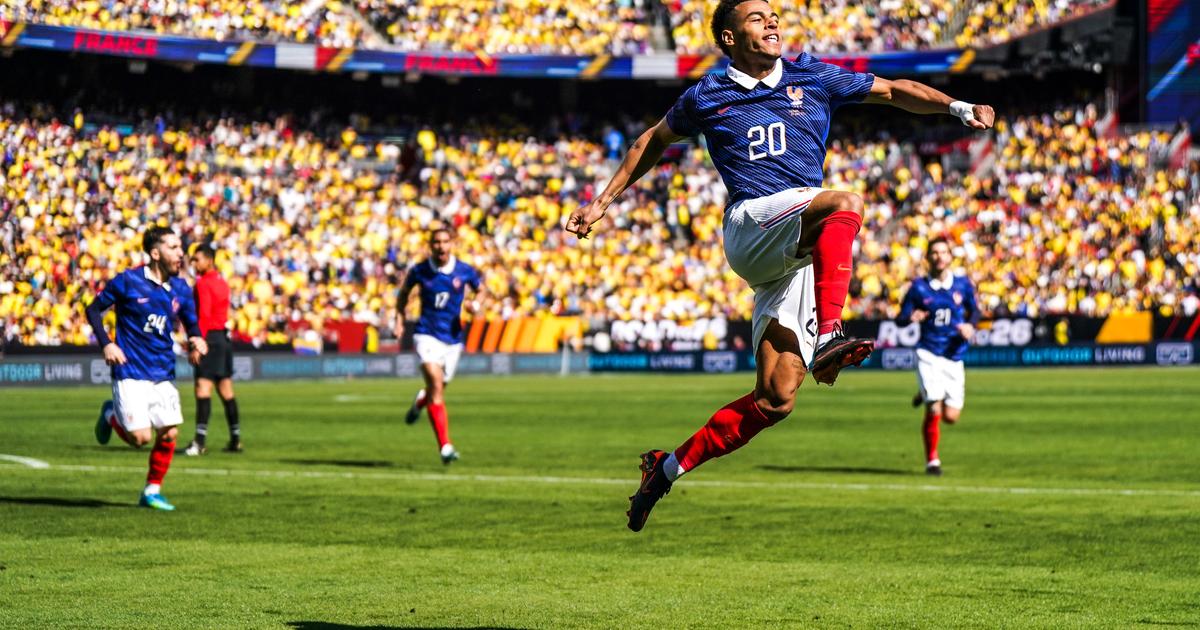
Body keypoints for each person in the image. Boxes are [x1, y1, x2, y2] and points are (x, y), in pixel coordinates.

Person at [564, 0, 995, 531]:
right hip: (751, 225)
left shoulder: (812, 74)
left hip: (792, 256)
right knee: (843, 202)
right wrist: (601, 202)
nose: (771, 22)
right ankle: (833, 330)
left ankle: (666, 467)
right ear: (728, 38)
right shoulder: (707, 95)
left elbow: (892, 91)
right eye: (755, 17)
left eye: (773, 15)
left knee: (776, 398)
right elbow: (651, 141)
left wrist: (957, 107)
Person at [86, 226, 207, 511]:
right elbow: (93, 310)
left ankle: (151, 491)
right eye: (174, 247)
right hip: (130, 370)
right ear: (155, 253)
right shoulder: (128, 281)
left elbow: (191, 321)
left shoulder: (181, 288)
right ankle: (109, 413)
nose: (181, 253)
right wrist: (106, 343)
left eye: (181, 247)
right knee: (140, 438)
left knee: (170, 433)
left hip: (163, 371)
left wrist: (196, 338)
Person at [396, 227, 484, 465]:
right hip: (426, 334)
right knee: (435, 383)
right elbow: (403, 294)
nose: (441, 246)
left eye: (445, 242)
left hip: (453, 339)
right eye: (437, 242)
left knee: (437, 389)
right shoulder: (420, 271)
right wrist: (399, 319)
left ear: (451, 244)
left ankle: (420, 401)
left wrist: (476, 304)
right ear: (430, 245)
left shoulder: (464, 270)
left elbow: (480, 289)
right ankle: (445, 446)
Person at [897, 237, 978, 476]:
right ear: (928, 258)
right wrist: (911, 317)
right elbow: (900, 318)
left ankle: (925, 393)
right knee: (934, 409)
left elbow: (975, 311)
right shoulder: (918, 288)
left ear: (950, 257)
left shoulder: (962, 284)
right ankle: (932, 461)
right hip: (928, 351)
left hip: (954, 355)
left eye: (944, 252)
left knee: (951, 416)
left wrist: (970, 326)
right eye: (934, 252)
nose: (939, 256)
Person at [182, 243, 243, 456]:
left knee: (202, 389)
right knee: (226, 390)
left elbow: (204, 316)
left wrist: (197, 343)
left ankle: (199, 442)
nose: (193, 263)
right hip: (223, 340)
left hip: (209, 338)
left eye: (197, 259)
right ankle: (236, 439)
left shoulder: (203, 284)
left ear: (209, 260)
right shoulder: (222, 282)